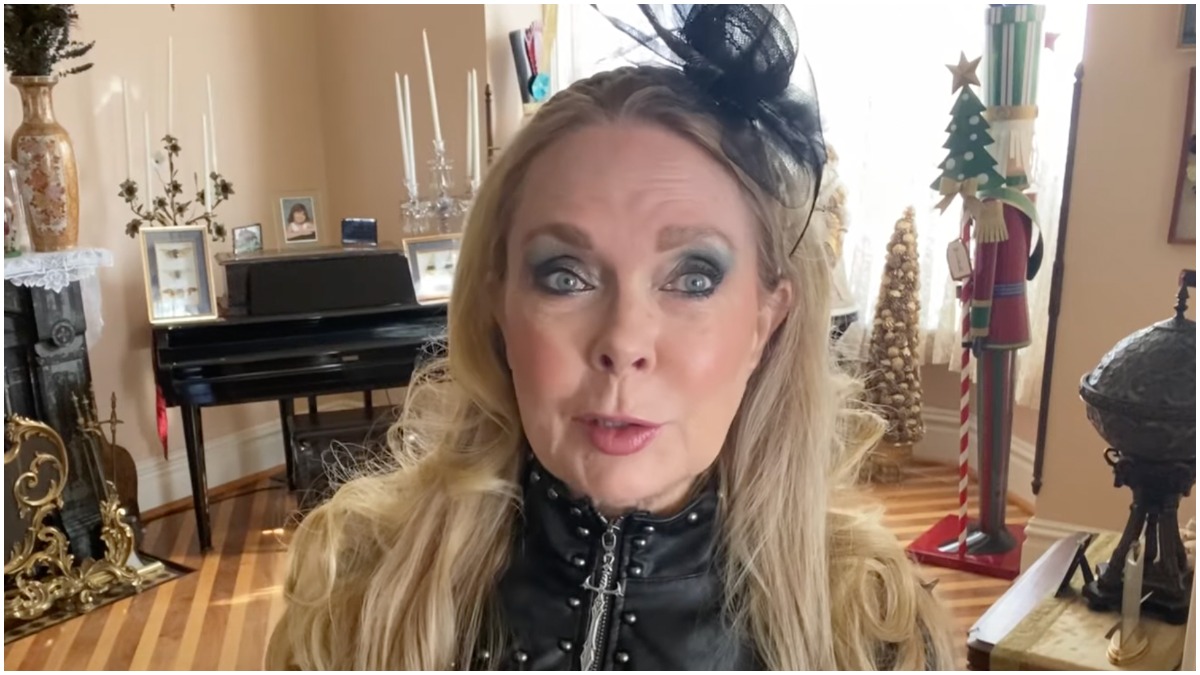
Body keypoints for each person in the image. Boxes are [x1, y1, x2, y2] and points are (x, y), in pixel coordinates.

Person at [266, 5, 955, 670]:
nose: (624, 342)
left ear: (765, 322)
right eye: (565, 276)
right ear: (498, 305)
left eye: (692, 278)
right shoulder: (353, 599)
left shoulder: (873, 635)